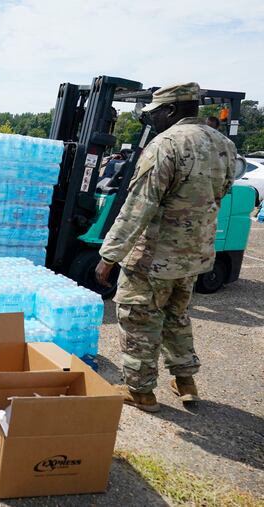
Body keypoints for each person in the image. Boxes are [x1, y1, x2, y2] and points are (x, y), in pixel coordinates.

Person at [95, 83, 237, 413]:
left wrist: (109, 256)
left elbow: (139, 205)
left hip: (154, 257)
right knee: (176, 317)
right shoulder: (223, 145)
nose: (151, 121)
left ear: (171, 111)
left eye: (154, 114)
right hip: (195, 254)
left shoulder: (166, 144)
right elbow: (221, 193)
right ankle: (185, 381)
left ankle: (140, 391)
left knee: (138, 317)